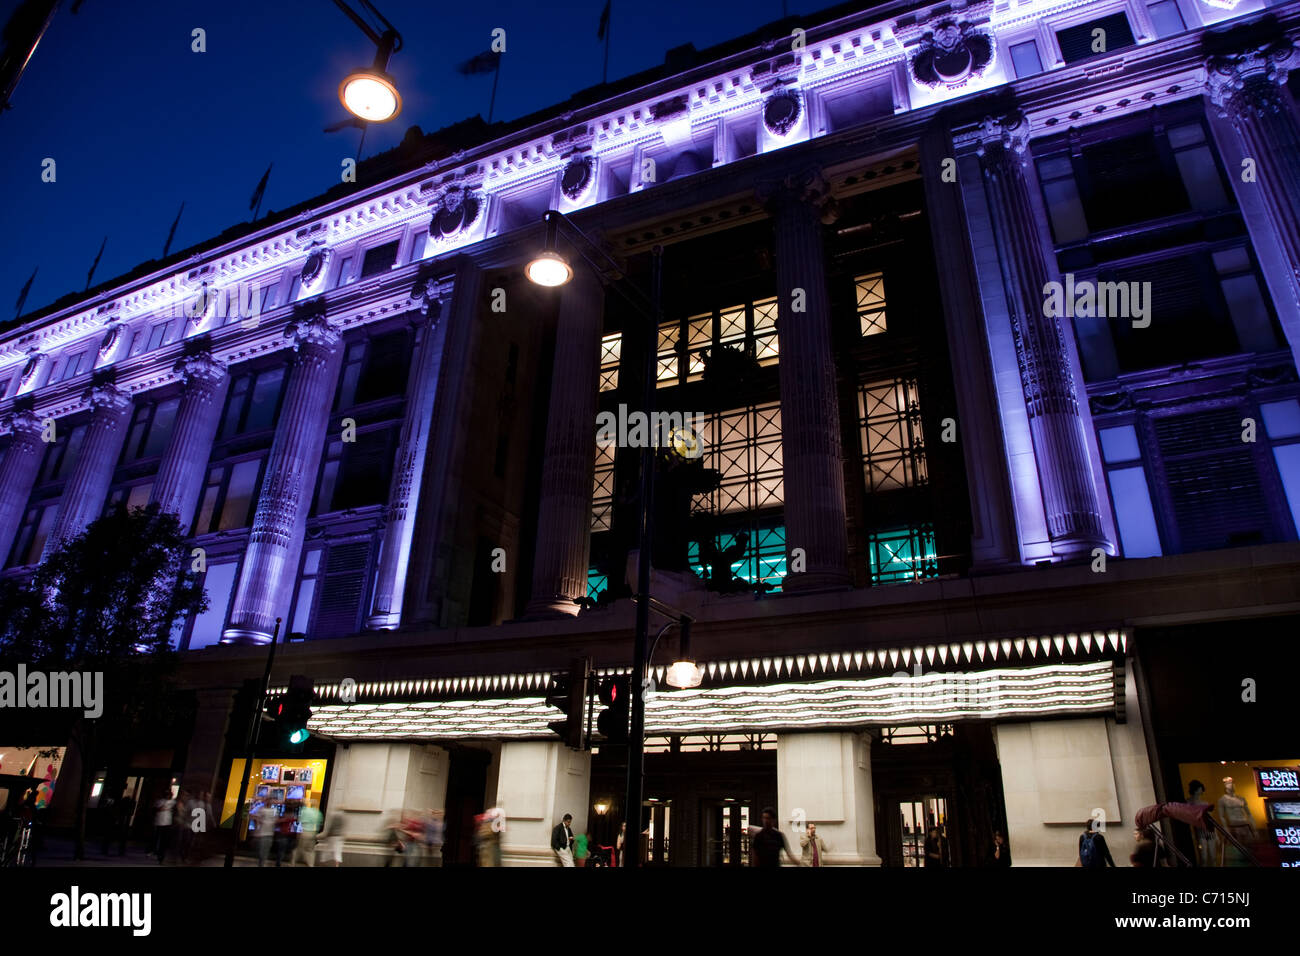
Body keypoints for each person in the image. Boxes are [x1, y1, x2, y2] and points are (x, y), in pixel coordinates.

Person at [293, 801, 323, 867]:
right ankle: (311, 865)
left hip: (304, 832)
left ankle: (293, 863)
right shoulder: (318, 813)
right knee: (311, 850)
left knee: (299, 849)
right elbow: (320, 824)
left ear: (311, 805)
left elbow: (299, 821)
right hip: (313, 833)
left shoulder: (305, 811)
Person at [153, 791, 176, 864]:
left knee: (163, 840)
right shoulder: (160, 801)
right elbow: (155, 809)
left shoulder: (173, 802)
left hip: (167, 823)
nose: (168, 796)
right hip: (159, 822)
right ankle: (156, 851)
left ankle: (161, 855)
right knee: (158, 838)